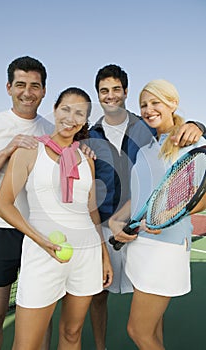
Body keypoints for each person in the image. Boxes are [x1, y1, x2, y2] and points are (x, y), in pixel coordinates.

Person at [88, 64, 206, 350]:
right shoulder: (149, 146)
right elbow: (142, 196)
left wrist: (168, 215)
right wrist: (117, 221)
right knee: (152, 330)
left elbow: (198, 196)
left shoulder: (189, 141)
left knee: (137, 331)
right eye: (144, 105)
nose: (149, 109)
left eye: (156, 103)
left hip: (164, 247)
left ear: (173, 104)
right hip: (140, 245)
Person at [0, 86, 113, 350]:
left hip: (86, 255)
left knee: (72, 334)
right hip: (41, 255)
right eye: (66, 109)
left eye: (79, 113)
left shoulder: (86, 159)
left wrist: (104, 255)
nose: (71, 118)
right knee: (26, 344)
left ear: (84, 121)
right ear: (55, 109)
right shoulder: (28, 151)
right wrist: (41, 240)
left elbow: (91, 210)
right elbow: (4, 205)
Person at [0, 56, 55, 350]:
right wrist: (8, 150)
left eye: (35, 86)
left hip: (40, 235)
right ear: (9, 87)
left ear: (44, 91)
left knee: (39, 318)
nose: (27, 92)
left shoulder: (53, 130)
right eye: (20, 84)